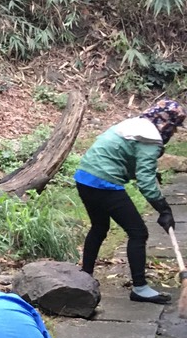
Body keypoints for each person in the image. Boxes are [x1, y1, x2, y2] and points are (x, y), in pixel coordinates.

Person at [74, 99, 185, 302]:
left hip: (85, 176)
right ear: (166, 122)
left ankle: (84, 277)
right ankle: (140, 288)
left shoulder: (136, 125)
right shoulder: (150, 138)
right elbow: (145, 183)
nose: (174, 133)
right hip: (104, 182)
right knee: (138, 232)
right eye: (175, 128)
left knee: (99, 227)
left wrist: (151, 172)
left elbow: (123, 156)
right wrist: (164, 209)